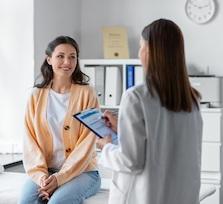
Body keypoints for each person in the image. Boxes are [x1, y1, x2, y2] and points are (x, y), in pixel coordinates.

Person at [97, 19, 202, 204]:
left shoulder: (136, 97)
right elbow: (165, 143)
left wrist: (105, 147)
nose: (139, 53)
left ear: (149, 50)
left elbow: (130, 161)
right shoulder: (191, 100)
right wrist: (121, 130)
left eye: (140, 46)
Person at [19, 36, 101, 204]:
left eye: (72, 56)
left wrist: (60, 178)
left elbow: (88, 142)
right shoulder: (36, 95)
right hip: (45, 171)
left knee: (57, 202)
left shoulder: (87, 93)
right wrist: (42, 177)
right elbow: (30, 141)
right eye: (60, 56)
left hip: (83, 172)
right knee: (27, 201)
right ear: (49, 59)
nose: (67, 62)